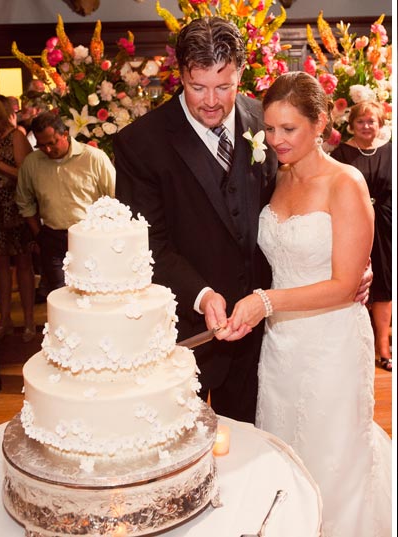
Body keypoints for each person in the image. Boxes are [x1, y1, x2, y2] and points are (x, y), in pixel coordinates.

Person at [225, 72, 391, 536]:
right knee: (285, 449)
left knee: (331, 455)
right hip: (280, 346)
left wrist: (265, 301)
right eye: (271, 129)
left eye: (288, 129)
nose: (276, 140)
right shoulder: (270, 176)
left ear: (321, 124)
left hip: (332, 343)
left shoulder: (346, 182)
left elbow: (343, 285)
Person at [113, 16, 278, 423]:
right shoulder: (140, 144)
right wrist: (202, 295)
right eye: (197, 86)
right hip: (181, 333)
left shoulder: (265, 122)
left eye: (224, 87)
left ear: (241, 72)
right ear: (180, 75)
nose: (210, 101)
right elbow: (149, 247)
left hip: (261, 334)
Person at [16, 111, 115, 294]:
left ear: (65, 134)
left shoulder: (93, 158)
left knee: (93, 292)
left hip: (90, 238)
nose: (47, 150)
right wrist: (39, 236)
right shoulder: (32, 163)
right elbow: (24, 202)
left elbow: (114, 198)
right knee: (60, 295)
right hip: (52, 238)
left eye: (52, 143)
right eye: (41, 145)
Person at [330, 101, 393, 371]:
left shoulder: (391, 152)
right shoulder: (340, 154)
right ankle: (351, 347)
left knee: (384, 287)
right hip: (351, 223)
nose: (367, 126)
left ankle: (383, 348)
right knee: (350, 283)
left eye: (371, 121)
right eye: (361, 122)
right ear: (351, 124)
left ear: (379, 124)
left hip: (386, 226)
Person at [0, 94, 36, 342]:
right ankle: (4, 320)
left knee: (24, 265)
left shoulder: (15, 136)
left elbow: (24, 174)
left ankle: (29, 321)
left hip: (17, 209)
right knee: (1, 267)